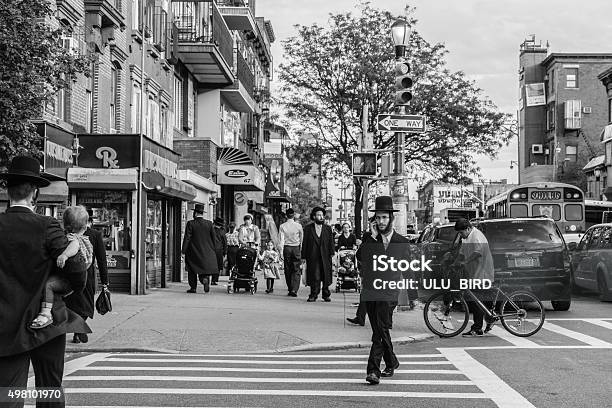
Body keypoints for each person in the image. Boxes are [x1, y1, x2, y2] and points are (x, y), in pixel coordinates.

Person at [0, 156, 89, 407]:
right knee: (49, 388)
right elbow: (77, 267)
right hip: (46, 325)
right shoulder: (47, 225)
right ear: (35, 194)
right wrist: (67, 291)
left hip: (6, 324)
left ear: (8, 191)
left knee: (8, 393)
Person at [359, 196, 412, 385]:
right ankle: (391, 361)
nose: (380, 222)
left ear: (391, 218)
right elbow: (361, 257)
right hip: (371, 291)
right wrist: (372, 239)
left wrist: (411, 295)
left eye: (384, 218)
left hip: (389, 292)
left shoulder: (402, 242)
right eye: (378, 218)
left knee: (378, 331)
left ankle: (373, 371)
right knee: (379, 329)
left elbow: (408, 269)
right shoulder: (370, 238)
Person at [30, 206, 94, 330]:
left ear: (64, 225)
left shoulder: (72, 239)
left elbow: (73, 247)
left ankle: (45, 313)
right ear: (85, 226)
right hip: (78, 281)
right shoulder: (85, 240)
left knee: (48, 285)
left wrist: (64, 255)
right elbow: (89, 260)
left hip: (67, 281)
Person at [65, 208, 109, 344]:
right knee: (84, 305)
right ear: (85, 221)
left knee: (73, 304)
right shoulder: (94, 235)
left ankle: (77, 328)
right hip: (86, 277)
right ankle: (79, 329)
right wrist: (105, 282)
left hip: (69, 276)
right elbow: (102, 260)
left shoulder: (66, 235)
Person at [453, 218, 495, 336]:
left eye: (461, 232)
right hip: (474, 273)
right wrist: (455, 263)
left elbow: (478, 252)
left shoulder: (476, 236)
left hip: (482, 273)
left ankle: (477, 327)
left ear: (468, 228)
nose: (460, 235)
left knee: (475, 300)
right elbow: (462, 252)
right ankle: (489, 318)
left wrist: (465, 262)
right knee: (478, 300)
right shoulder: (466, 237)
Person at [347, 216, 377, 327]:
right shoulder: (368, 236)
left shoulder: (386, 237)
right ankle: (360, 317)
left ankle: (385, 321)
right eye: (372, 223)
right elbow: (360, 254)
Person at [182, 204, 218, 293]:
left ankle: (193, 288)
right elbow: (214, 238)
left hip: (193, 251)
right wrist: (214, 249)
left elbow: (187, 238)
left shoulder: (191, 223)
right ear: (202, 213)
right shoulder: (209, 223)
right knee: (204, 269)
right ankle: (204, 280)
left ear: (195, 213)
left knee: (192, 269)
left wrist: (183, 251)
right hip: (208, 251)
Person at [301, 206, 335, 302]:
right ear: (314, 216)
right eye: (318, 215)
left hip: (325, 256)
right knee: (314, 276)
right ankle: (313, 294)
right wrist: (303, 256)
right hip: (313, 256)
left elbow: (331, 242)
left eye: (322, 215)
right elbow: (305, 243)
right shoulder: (308, 228)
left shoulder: (328, 229)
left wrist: (332, 252)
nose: (321, 217)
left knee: (325, 276)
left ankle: (326, 294)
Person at [278, 208, 303, 297]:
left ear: (286, 215)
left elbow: (281, 240)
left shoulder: (282, 226)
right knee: (296, 269)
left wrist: (280, 252)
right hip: (296, 248)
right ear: (294, 215)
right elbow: (301, 239)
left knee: (288, 268)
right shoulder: (298, 226)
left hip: (287, 248)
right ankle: (294, 289)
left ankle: (290, 287)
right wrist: (301, 250)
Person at [212, 217, 227, 285]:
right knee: (218, 266)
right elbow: (224, 243)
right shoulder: (222, 232)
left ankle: (207, 277)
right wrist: (225, 252)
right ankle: (214, 280)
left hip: (211, 249)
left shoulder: (211, 230)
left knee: (211, 264)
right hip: (219, 251)